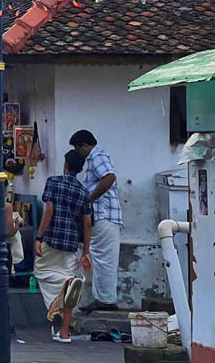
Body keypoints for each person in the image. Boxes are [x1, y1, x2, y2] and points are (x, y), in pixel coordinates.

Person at [35, 150, 93, 343]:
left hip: (51, 238)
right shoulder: (83, 192)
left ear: (65, 164)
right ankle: (65, 332)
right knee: (67, 282)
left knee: (42, 272)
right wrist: (85, 252)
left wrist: (38, 236)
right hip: (70, 243)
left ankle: (65, 285)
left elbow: (49, 211)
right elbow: (86, 223)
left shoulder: (53, 181)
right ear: (81, 168)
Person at [69, 130, 121, 312]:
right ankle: (103, 299)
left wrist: (89, 199)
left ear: (84, 145)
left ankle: (106, 301)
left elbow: (109, 178)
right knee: (100, 259)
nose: (79, 154)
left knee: (105, 260)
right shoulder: (95, 158)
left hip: (105, 214)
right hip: (101, 216)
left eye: (78, 149)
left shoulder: (97, 156)